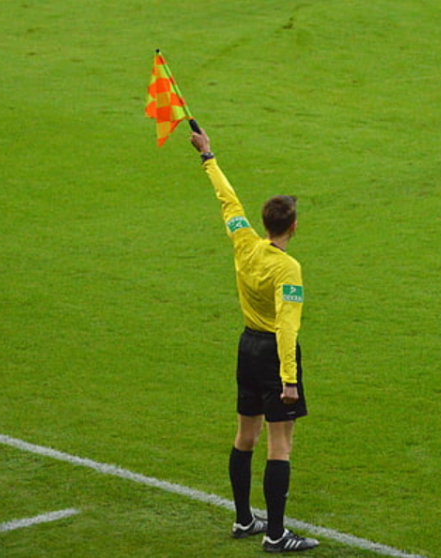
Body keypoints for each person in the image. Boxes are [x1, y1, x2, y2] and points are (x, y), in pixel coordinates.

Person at [190, 127, 320, 553]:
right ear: (294, 227)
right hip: (272, 356)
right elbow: (287, 326)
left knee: (245, 436)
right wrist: (289, 380)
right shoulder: (289, 270)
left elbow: (228, 202)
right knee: (279, 445)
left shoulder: (244, 243)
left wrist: (208, 156)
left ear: (264, 223)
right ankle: (276, 534)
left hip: (246, 348)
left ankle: (244, 519)